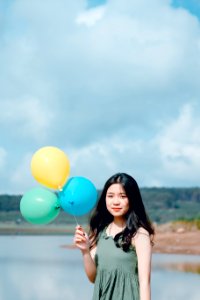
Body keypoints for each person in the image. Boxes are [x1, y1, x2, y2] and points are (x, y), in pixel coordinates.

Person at [74, 172, 155, 300]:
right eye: (110, 196)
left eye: (123, 196)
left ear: (132, 199)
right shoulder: (100, 232)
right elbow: (93, 278)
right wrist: (85, 251)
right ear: (105, 199)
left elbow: (145, 282)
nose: (116, 202)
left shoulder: (139, 234)